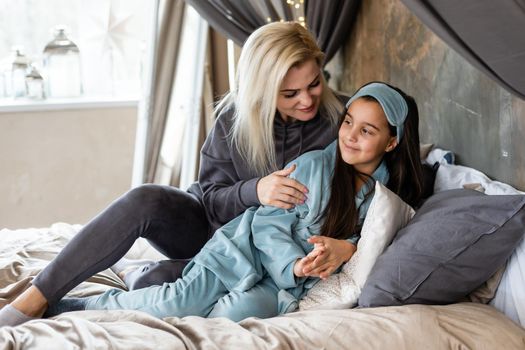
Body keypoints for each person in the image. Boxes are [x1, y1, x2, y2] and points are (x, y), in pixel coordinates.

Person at [0, 21, 347, 327]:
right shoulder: (234, 120)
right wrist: (254, 191)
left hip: (267, 253)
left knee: (162, 283)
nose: (306, 100)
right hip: (211, 233)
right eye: (290, 93)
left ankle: (128, 277)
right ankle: (34, 299)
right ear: (261, 90)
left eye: (314, 84)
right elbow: (210, 199)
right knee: (145, 198)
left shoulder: (345, 123)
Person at [34, 82, 427, 323]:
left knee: (231, 317)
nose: (350, 136)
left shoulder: (385, 199)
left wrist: (346, 248)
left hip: (282, 287)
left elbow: (376, 242)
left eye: (367, 130)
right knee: (177, 301)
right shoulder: (313, 166)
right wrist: (292, 263)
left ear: (391, 142)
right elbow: (267, 225)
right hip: (241, 253)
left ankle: (155, 279)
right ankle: (78, 307)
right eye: (347, 122)